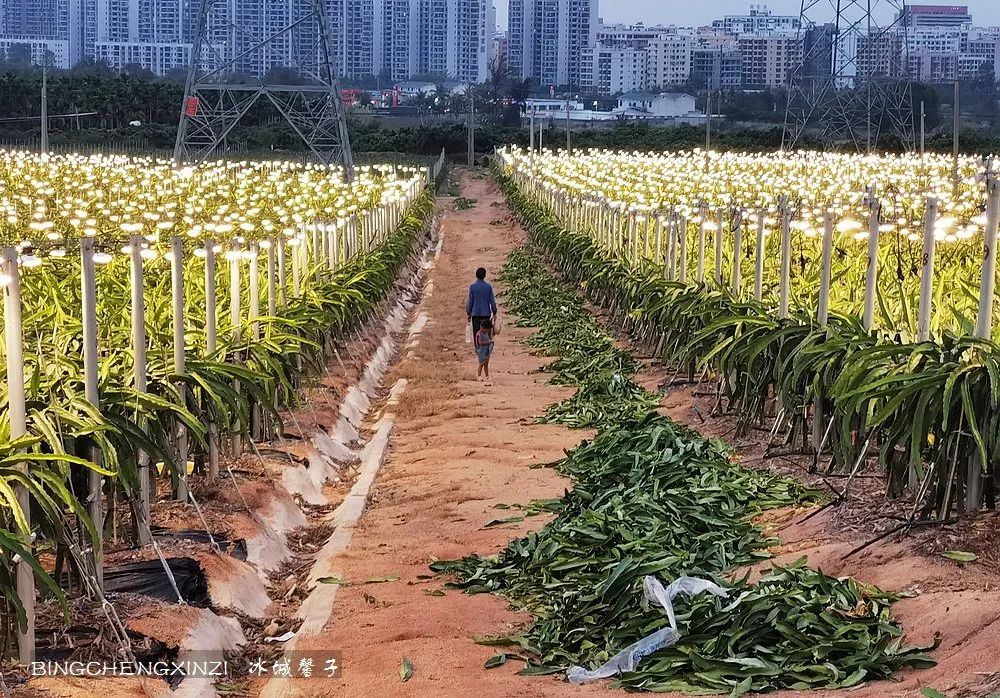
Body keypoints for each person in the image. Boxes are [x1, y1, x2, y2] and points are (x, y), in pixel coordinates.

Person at [466, 267, 497, 336]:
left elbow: (470, 301)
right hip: (486, 314)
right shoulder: (488, 287)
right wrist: (494, 313)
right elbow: (492, 302)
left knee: (476, 333)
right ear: (484, 276)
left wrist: (468, 313)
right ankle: (485, 346)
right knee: (486, 334)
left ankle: (477, 346)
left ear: (476, 275)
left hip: (475, 314)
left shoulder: (473, 287)